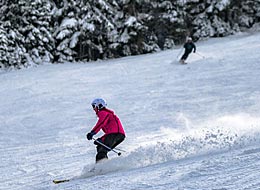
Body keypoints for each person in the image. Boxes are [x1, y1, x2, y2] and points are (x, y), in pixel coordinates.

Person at [86, 98, 126, 163]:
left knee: (102, 150)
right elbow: (110, 132)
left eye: (94, 106)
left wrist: (92, 133)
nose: (93, 109)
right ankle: (105, 165)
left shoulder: (103, 113)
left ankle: (100, 167)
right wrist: (101, 139)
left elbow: (101, 123)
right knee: (100, 147)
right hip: (118, 135)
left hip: (115, 134)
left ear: (98, 106)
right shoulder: (108, 114)